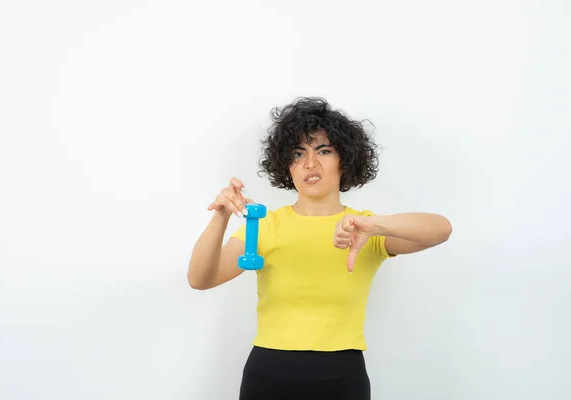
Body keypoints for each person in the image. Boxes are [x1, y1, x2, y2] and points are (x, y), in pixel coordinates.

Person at [187, 97, 452, 400]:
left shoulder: (363, 229)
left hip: (342, 377)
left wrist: (377, 226)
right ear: (286, 166)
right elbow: (200, 279)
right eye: (298, 154)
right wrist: (220, 216)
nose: (310, 164)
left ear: (346, 160)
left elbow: (441, 229)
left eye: (323, 151)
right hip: (268, 374)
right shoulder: (265, 225)